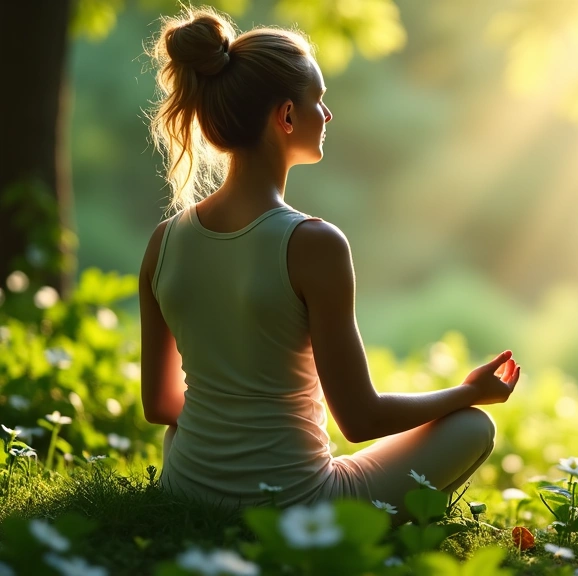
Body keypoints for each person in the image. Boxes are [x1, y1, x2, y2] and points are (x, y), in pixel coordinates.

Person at [137, 6, 520, 521]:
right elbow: (360, 418)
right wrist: (468, 392)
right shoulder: (313, 242)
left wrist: (232, 430)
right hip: (298, 508)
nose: (328, 114)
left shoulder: (165, 241)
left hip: (186, 494)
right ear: (287, 116)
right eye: (319, 100)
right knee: (474, 426)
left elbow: (160, 406)